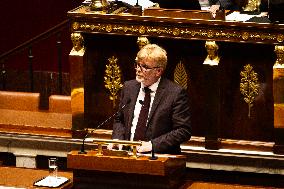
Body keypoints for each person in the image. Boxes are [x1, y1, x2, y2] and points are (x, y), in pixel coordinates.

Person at [109, 44, 192, 154]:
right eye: (137, 65)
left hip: (158, 157)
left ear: (158, 71)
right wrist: (118, 139)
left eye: (145, 67)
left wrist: (152, 145)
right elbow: (119, 120)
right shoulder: (129, 88)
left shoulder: (175, 93)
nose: (138, 70)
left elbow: (183, 130)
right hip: (128, 156)